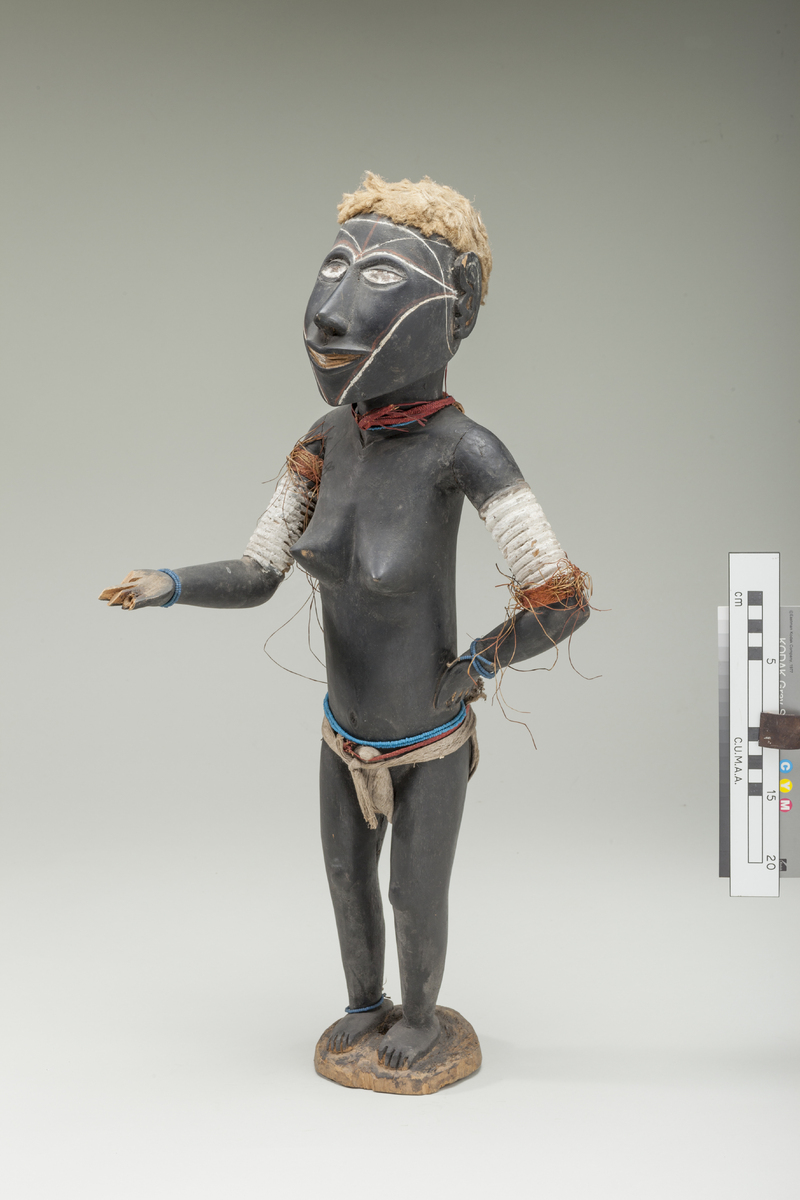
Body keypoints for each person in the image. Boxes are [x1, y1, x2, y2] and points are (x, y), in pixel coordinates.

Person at [101, 174, 590, 1071]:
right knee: (345, 878)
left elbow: (561, 597)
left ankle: (421, 1019)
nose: (331, 312)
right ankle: (367, 1004)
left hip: (428, 740)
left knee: (412, 892)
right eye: (335, 267)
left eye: (381, 278)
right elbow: (260, 572)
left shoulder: (466, 451)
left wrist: (477, 667)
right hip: (343, 733)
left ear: (457, 309)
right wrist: (169, 583)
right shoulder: (327, 440)